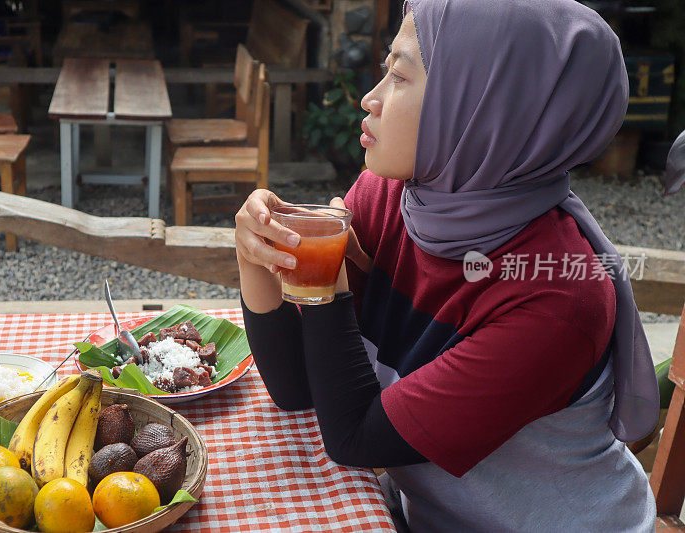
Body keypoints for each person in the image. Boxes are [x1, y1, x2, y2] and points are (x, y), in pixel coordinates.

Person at [234, 0, 660, 530]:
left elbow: (354, 438)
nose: (371, 98)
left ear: (484, 107)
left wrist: (324, 286)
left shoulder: (555, 299)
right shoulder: (393, 196)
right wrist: (256, 258)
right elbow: (298, 390)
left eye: (400, 76)